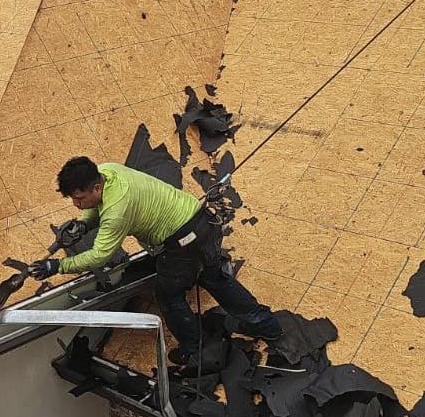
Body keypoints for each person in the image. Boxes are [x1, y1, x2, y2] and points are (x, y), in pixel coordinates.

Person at [29, 156, 283, 365]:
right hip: (202, 222)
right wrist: (84, 223)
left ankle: (196, 350)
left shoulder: (117, 211)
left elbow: (101, 255)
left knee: (169, 296)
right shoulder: (107, 170)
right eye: (73, 199)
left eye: (80, 198)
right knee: (215, 278)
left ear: (96, 187)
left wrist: (58, 266)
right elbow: (97, 206)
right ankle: (267, 325)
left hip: (181, 243)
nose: (76, 204)